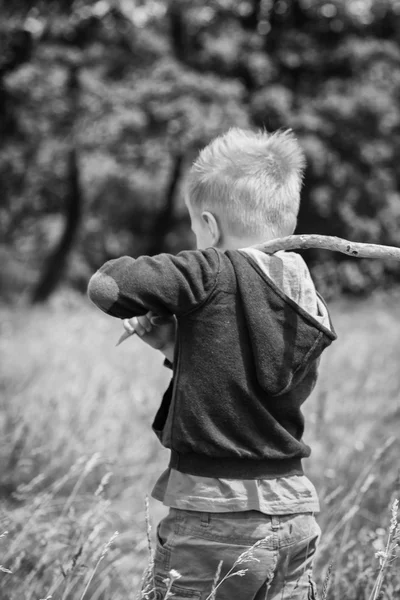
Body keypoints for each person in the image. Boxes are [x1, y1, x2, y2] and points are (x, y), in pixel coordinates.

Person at [87, 128, 336, 599]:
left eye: (195, 230)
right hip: (294, 513)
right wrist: (172, 348)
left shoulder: (211, 269)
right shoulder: (305, 295)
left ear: (210, 225)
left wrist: (144, 276)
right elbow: (257, 378)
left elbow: (109, 286)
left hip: (213, 517)